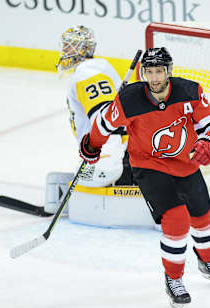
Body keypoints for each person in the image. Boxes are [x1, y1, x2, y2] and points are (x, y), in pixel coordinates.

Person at [78, 47, 210, 308]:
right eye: (149, 71)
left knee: (203, 216)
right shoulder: (129, 100)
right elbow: (104, 124)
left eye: (159, 71)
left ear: (169, 71)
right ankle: (174, 280)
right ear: (143, 73)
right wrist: (92, 145)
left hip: (185, 163)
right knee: (177, 220)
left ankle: (209, 263)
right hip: (148, 166)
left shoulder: (190, 92)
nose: (154, 78)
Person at [45, 26, 143, 221]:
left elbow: (107, 119)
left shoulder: (87, 72)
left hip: (115, 149)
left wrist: (106, 155)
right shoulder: (94, 68)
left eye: (70, 47)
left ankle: (129, 178)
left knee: (90, 180)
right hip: (114, 147)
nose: (65, 51)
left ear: (83, 49)